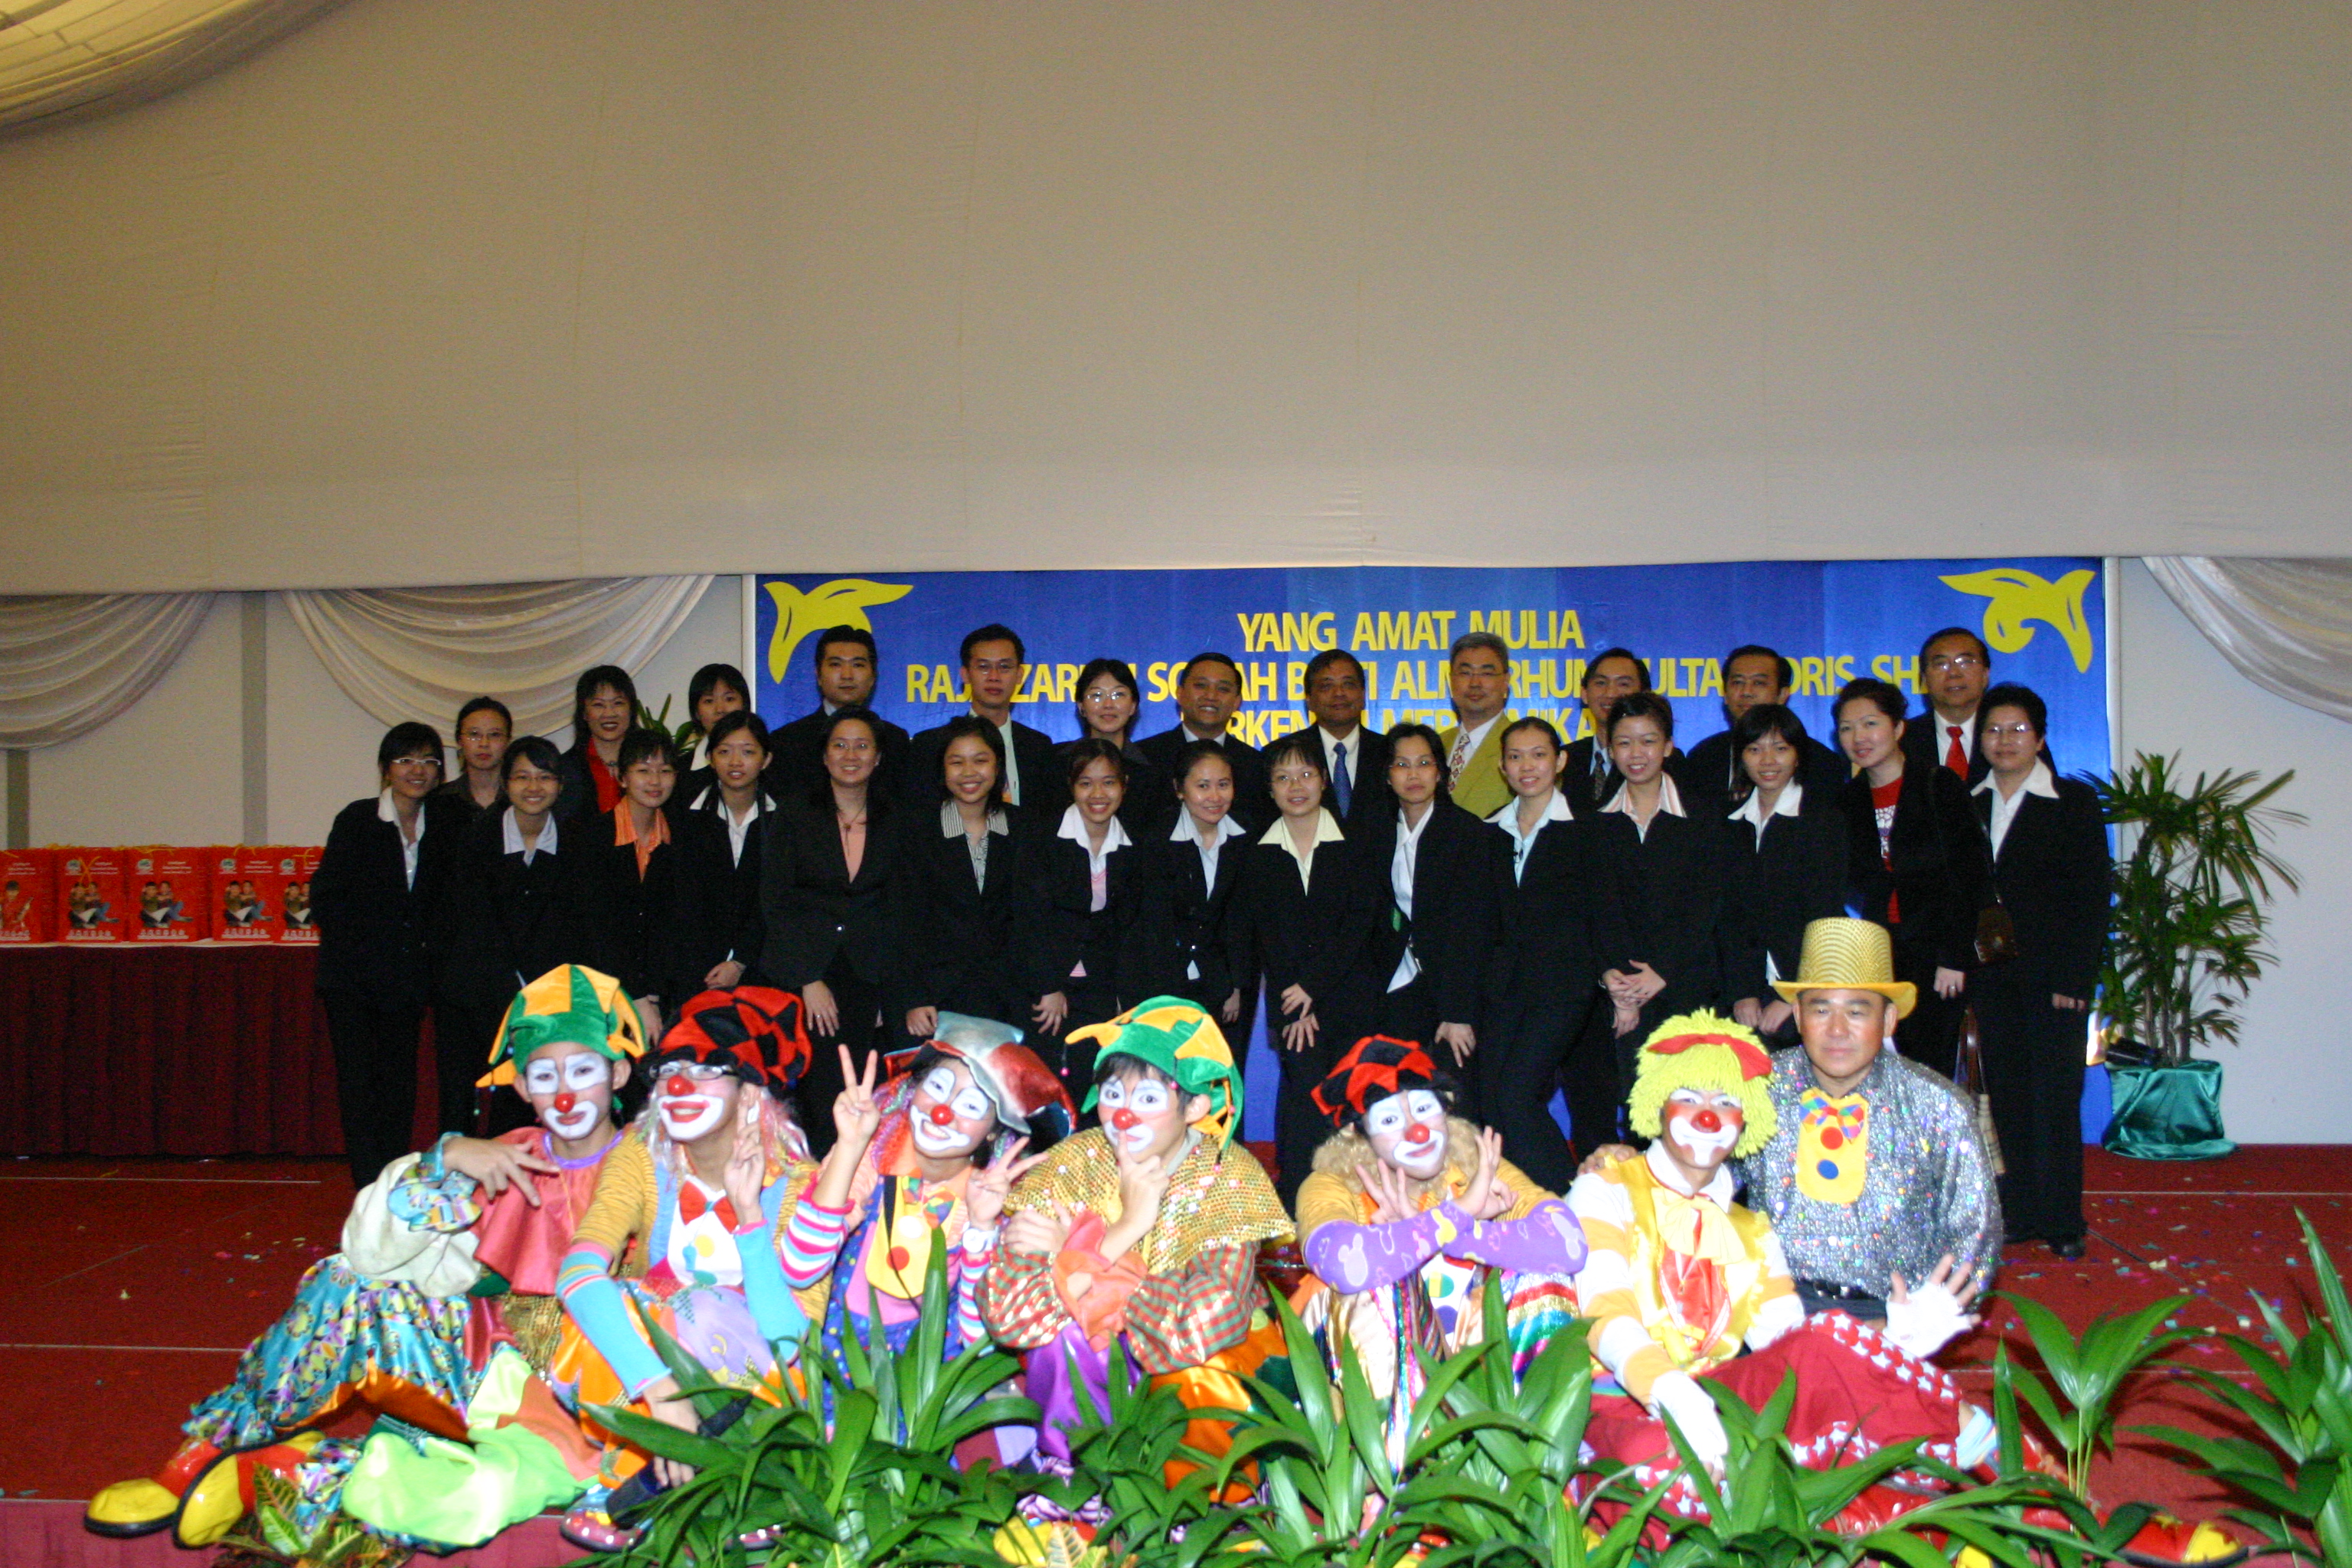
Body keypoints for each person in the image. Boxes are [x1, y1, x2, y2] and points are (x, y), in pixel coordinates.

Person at [83, 965, 645, 1551]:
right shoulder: (500, 1157)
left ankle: (282, 1475)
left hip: (604, 1394)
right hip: (490, 1372)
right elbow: (371, 1257)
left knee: (482, 1494)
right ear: (523, 1087)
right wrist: (443, 1162)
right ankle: (205, 1455)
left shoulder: (654, 1163)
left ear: (618, 1073)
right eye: (545, 1075)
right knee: (346, 1282)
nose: (565, 1093)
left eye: (584, 1071)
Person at [1568, 1010, 1994, 1528]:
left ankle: (1996, 1468)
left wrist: (1890, 1337)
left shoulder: (1750, 1228)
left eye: (1726, 1103)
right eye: (1690, 1098)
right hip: (1621, 1407)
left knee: (1828, 1337)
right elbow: (1604, 1313)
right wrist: (1672, 1394)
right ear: (1658, 1103)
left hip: (1717, 1396)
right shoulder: (1605, 1188)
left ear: (1745, 1119)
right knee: (1662, 1466)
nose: (1708, 1117)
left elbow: (1793, 1345)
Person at [978, 998, 1292, 1485]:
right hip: (1110, 1363)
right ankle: (1075, 1479)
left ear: (1195, 1107)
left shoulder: (1229, 1175)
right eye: (1112, 1094)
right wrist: (1125, 1229)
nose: (1122, 1117)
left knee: (1201, 1374)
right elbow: (1009, 1312)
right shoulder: (1072, 1162)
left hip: (1209, 1364)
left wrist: (1074, 1257)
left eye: (1147, 1098)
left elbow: (1203, 1324)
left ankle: (1203, 1498)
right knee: (1067, 1340)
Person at [550, 987, 818, 1553]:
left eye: (705, 1071)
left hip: (758, 1381)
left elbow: (792, 1341)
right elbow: (577, 1275)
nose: (678, 1086)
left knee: (700, 1304)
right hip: (656, 1379)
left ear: (750, 1093)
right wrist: (661, 1391)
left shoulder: (800, 1182)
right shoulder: (639, 1155)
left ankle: (748, 1478)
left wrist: (750, 1218)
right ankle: (633, 1466)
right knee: (622, 1304)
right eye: (670, 1071)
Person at [1292, 1037, 1585, 1461]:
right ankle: (1394, 1473)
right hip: (1369, 1366)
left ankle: (1530, 1457)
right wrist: (1457, 1215)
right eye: (1389, 1119)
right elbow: (1344, 1266)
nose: (1417, 1130)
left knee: (1546, 1278)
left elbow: (1568, 1244)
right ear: (1358, 1134)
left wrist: (1463, 1233)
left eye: (1425, 1108)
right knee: (1379, 1287)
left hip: (1468, 1351)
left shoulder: (1471, 1163)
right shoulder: (1329, 1183)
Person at [776, 1016, 1073, 1372]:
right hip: (836, 1357)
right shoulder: (872, 1159)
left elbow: (977, 1341)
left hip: (925, 1374)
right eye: (938, 1087)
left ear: (994, 1132)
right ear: (911, 1091)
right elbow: (800, 1268)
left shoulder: (993, 1198)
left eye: (971, 1106)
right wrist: (849, 1146)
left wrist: (981, 1229)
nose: (942, 1113)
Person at [1740, 917, 2002, 1318]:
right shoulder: (1757, 1089)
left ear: (1889, 1020)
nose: (1837, 1030)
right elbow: (1696, 1180)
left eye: (1857, 1012)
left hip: (1895, 1314)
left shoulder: (1937, 1105)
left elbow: (1975, 1230)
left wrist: (1925, 1319)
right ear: (1797, 1015)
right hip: (1772, 1308)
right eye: (1821, 1009)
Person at [1971, 684, 2109, 1259]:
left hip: (2054, 978)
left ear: (2041, 738)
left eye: (2018, 730)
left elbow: (2092, 896)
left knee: (2055, 1096)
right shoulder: (1967, 801)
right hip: (1991, 974)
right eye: (1993, 730)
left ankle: (2063, 1219)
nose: (2005, 741)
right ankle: (2022, 1212)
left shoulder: (2071, 801)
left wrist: (2075, 979)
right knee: (2007, 1097)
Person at [313, 721, 462, 1187]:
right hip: (354, 980)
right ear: (385, 768)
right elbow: (327, 900)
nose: (417, 770)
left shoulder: (447, 824)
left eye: (429, 761)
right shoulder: (357, 820)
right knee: (359, 1087)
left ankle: (391, 1181)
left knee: (399, 1087)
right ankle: (366, 1187)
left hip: (409, 982)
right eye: (405, 760)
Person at [1241, 733, 1382, 1205]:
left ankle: (1357, 1201)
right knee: (1303, 1094)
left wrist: (1313, 989)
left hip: (1349, 995)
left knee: (1351, 1099)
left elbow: (1359, 926)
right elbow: (1268, 938)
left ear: (1324, 780)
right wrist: (1296, 1003)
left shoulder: (1356, 844)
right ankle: (1299, 1200)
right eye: (1283, 778)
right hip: (1291, 1000)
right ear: (1270, 789)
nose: (1295, 786)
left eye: (1305, 774)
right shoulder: (1258, 853)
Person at [1480, 716, 1618, 1188]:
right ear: (1502, 767)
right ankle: (1521, 1203)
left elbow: (1605, 912)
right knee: (1491, 1100)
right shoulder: (1490, 830)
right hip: (1504, 989)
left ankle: (1566, 1197)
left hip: (1565, 988)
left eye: (1539, 755)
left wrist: (1611, 980)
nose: (1527, 766)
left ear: (1559, 761)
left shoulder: (1589, 828)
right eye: (1515, 757)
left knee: (1517, 1094)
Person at [761, 706, 903, 1157]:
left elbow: (905, 904)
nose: (850, 755)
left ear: (877, 758)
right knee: (815, 1093)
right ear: (824, 756)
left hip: (870, 973)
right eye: (840, 745)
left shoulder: (898, 817)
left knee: (863, 1090)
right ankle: (813, 1182)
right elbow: (776, 901)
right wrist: (807, 978)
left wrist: (887, 988)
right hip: (808, 972)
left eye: (862, 746)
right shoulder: (794, 813)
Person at [1834, 676, 1989, 1080]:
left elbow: (1971, 877)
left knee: (1929, 1071)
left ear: (1898, 728)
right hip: (1879, 955)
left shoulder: (1938, 785)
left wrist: (1954, 957)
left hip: (1938, 956)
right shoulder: (1847, 800)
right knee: (1880, 1070)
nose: (1858, 737)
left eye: (1870, 724)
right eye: (1847, 728)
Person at [435, 737, 581, 1140]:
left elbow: (576, 927)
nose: (534, 787)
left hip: (545, 997)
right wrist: (510, 987)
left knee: (522, 1104)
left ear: (560, 786)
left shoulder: (578, 843)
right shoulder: (472, 839)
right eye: (522, 777)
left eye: (544, 777)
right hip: (474, 992)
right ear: (505, 783)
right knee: (460, 1107)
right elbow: (468, 921)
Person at [1590, 693, 1721, 1086]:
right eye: (1624, 742)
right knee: (1636, 1105)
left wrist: (1664, 971)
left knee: (1692, 1104)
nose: (1636, 753)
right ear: (1610, 749)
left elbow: (1708, 907)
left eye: (1648, 741)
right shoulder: (1593, 825)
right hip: (1622, 996)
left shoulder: (1705, 818)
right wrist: (1614, 981)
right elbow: (1597, 912)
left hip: (1690, 989)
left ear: (1667, 746)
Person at [1363, 724, 1503, 1076]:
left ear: (1440, 773)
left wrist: (1459, 1012)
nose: (1414, 775)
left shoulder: (1467, 833)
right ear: (1387, 776)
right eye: (1402, 764)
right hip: (1395, 983)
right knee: (1394, 1089)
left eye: (1424, 763)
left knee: (1453, 1092)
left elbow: (1473, 930)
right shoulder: (1375, 833)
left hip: (1452, 989)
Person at [893, 715, 1036, 1047]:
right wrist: (914, 996)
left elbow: (1035, 917)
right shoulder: (916, 831)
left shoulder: (1025, 828)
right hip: (937, 999)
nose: (969, 772)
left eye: (980, 760)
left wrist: (1043, 986)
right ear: (942, 769)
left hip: (1011, 997)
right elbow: (902, 920)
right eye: (957, 762)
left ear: (998, 766)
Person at [1716, 704, 1849, 1044]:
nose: (1767, 761)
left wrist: (1792, 994)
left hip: (1807, 989)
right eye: (1754, 749)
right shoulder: (1730, 824)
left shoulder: (1822, 821)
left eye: (1780, 748)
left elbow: (1825, 917)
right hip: (1746, 989)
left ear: (1798, 755)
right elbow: (1729, 916)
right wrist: (1742, 992)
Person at [1025, 739, 1149, 1102]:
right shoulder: (1041, 838)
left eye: (1108, 782)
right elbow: (1029, 918)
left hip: (1102, 989)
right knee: (1046, 1094)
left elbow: (1132, 927)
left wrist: (1124, 995)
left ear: (1124, 785)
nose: (1098, 794)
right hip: (1046, 991)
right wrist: (1048, 986)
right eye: (1086, 783)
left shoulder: (1135, 844)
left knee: (1097, 1088)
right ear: (1071, 787)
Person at [574, 728, 684, 1046]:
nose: (655, 781)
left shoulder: (682, 839)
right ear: (622, 778)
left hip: (663, 995)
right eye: (643, 771)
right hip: (601, 995)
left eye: (665, 771)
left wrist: (654, 995)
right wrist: (637, 997)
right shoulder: (591, 837)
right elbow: (597, 927)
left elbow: (674, 925)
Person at [1132, 740, 1253, 1029]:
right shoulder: (1155, 839)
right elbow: (1149, 924)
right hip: (1160, 986)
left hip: (1222, 988)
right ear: (1179, 789)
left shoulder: (1245, 838)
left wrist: (1236, 985)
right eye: (1203, 786)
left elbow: (1241, 920)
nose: (1215, 796)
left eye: (1223, 784)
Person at [667, 708, 778, 1003]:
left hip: (765, 971)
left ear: (766, 759)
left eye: (748, 752)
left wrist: (739, 961)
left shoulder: (784, 821)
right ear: (710, 758)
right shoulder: (685, 819)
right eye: (724, 751)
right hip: (696, 972)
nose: (736, 762)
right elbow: (683, 903)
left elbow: (778, 900)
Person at [1678, 646, 1848, 818]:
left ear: (1782, 695)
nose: (1746, 692)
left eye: (1759, 683)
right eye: (1738, 682)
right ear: (1725, 694)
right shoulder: (1703, 757)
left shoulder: (1821, 762)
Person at [904, 624, 1055, 808]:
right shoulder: (929, 745)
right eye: (983, 667)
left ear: (1019, 675)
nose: (994, 676)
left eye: (1004, 667)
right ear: (966, 674)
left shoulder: (1039, 747)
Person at [767, 627, 913, 800]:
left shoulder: (895, 740)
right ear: (818, 675)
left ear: (873, 676)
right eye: (836, 664)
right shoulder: (786, 742)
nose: (847, 675)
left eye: (858, 665)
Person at [1138, 652, 1270, 835]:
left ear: (1237, 702)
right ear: (1180, 694)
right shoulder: (1143, 758)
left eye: (1223, 689)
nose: (1211, 696)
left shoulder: (1257, 765)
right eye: (1201, 686)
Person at [1050, 656, 1164, 833]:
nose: (1108, 704)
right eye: (1097, 695)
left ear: (1133, 706)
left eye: (1118, 695)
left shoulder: (1154, 769)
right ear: (1081, 706)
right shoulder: (1055, 763)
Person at [1299, 647, 1390, 830]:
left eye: (1348, 684)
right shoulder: (1284, 754)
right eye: (1327, 686)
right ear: (1309, 700)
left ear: (1363, 695)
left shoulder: (1389, 752)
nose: (1339, 693)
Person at [1560, 647, 1648, 816]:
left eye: (1623, 684)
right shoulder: (1563, 760)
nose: (1610, 693)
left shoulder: (1660, 761)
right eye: (1601, 683)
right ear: (1584, 694)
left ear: (1644, 695)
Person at [1436, 632, 1514, 820]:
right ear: (1451, 680)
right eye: (1465, 673)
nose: (1475, 683)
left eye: (1486, 673)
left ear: (1506, 681)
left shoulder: (1519, 747)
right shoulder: (1436, 745)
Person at [1902, 627, 1995, 786]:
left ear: (1985, 675)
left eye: (1965, 662)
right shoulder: (1901, 740)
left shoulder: (2009, 736)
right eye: (1941, 664)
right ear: (1924, 679)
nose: (1953, 673)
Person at [554, 666, 639, 822]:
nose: (609, 713)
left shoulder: (651, 765)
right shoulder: (564, 769)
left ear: (631, 709)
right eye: (598, 705)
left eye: (618, 703)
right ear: (584, 713)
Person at [675, 661, 751, 802]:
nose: (720, 709)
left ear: (744, 705)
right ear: (696, 712)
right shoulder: (679, 773)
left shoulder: (768, 765)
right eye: (709, 701)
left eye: (729, 699)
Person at [437, 697, 513, 818]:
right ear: (459, 740)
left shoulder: (521, 797)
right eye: (474, 734)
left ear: (508, 741)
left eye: (495, 735)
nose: (484, 743)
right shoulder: (438, 800)